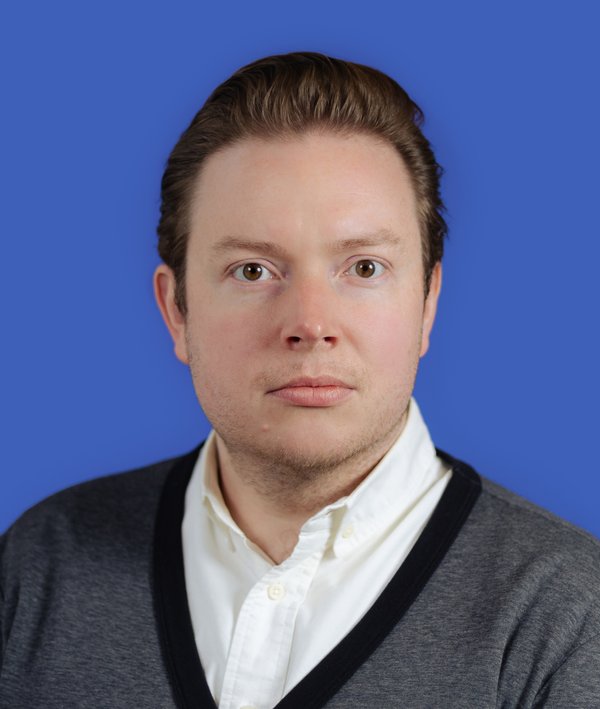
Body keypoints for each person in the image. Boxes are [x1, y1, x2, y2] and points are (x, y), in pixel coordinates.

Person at [1, 52, 599, 709]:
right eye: (254, 270)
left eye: (364, 268)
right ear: (177, 310)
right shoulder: (39, 565)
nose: (310, 323)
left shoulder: (565, 616)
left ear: (427, 305)